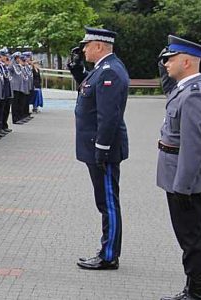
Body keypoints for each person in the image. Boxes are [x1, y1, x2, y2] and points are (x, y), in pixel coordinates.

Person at [157, 35, 201, 300]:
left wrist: (182, 187)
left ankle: (196, 294)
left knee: (192, 240)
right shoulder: (183, 87)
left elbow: (193, 146)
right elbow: (168, 86)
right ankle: (191, 290)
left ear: (187, 62)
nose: (166, 63)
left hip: (185, 180)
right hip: (176, 175)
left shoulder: (194, 94)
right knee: (187, 237)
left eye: (171, 59)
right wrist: (164, 64)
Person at [71, 27, 129, 271]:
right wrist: (76, 70)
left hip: (102, 149)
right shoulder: (102, 69)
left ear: (99, 46)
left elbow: (108, 116)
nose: (83, 49)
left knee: (108, 203)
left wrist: (102, 149)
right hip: (96, 147)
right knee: (104, 202)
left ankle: (108, 255)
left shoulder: (110, 72)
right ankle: (108, 250)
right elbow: (90, 92)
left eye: (87, 45)